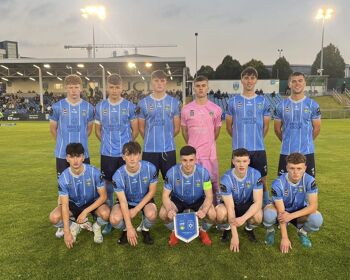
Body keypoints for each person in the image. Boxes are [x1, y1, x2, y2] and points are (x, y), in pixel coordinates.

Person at [49, 74, 94, 238]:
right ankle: (63, 223)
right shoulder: (58, 107)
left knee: (84, 187)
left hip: (83, 154)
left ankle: (83, 219)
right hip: (62, 154)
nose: (74, 90)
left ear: (81, 88)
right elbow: (53, 129)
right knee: (62, 187)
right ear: (66, 88)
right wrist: (64, 144)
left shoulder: (88, 107)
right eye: (70, 87)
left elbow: (89, 129)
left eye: (76, 87)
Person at [95, 74, 138, 235]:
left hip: (124, 156)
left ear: (122, 88)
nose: (114, 90)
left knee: (125, 185)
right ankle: (108, 220)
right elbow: (97, 131)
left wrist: (126, 147)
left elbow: (134, 129)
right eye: (111, 87)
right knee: (107, 186)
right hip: (107, 154)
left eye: (117, 87)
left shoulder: (129, 106)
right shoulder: (100, 106)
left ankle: (125, 216)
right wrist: (107, 143)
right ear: (107, 88)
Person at [48, 143, 110, 248]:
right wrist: (67, 231)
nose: (75, 160)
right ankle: (74, 226)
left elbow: (103, 196)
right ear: (67, 158)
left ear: (83, 157)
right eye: (72, 157)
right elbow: (65, 205)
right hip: (73, 204)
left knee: (106, 213)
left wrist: (85, 212)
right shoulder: (63, 178)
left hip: (91, 202)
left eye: (78, 156)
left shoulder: (94, 172)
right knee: (54, 217)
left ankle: (96, 227)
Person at [226, 67, 271, 205]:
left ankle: (265, 205)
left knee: (262, 179)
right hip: (239, 150)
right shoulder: (232, 102)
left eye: (252, 78)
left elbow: (266, 127)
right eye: (246, 77)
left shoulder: (263, 102)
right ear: (241, 80)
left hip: (258, 149)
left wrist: (255, 138)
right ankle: (235, 206)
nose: (249, 81)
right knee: (236, 179)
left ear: (256, 80)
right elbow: (229, 127)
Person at [263, 153, 323, 253]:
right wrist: (284, 238)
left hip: (298, 210)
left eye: (299, 168)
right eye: (292, 168)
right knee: (268, 214)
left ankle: (302, 233)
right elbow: (282, 212)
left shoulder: (310, 180)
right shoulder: (278, 183)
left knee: (317, 219)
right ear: (287, 167)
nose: (295, 172)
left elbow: (313, 206)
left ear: (305, 168)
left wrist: (291, 216)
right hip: (280, 210)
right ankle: (270, 231)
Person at [159, 145, 216, 247]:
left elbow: (209, 196)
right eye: (184, 160)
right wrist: (169, 209)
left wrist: (204, 210)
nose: (188, 164)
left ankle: (202, 231)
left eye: (191, 160)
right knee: (163, 214)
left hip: (198, 199)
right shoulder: (171, 173)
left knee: (212, 214)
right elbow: (165, 196)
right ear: (180, 160)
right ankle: (175, 231)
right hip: (178, 200)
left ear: (195, 159)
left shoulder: (203, 173)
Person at [181, 75, 222, 204]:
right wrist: (194, 144)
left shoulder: (216, 109)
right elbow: (184, 131)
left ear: (207, 88)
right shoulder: (186, 109)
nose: (200, 89)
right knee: (193, 184)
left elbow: (216, 131)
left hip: (210, 155)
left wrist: (208, 143)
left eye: (203, 86)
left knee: (213, 185)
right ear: (194, 88)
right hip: (193, 156)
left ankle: (215, 213)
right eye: (198, 86)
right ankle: (195, 210)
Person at [109, 141, 158, 246]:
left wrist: (136, 210)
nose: (132, 158)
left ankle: (145, 229)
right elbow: (122, 201)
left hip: (144, 198)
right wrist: (130, 226)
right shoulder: (118, 176)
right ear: (123, 157)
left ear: (140, 156)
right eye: (128, 155)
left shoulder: (150, 168)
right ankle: (126, 229)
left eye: (135, 154)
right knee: (114, 219)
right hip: (126, 201)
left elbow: (152, 192)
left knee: (152, 214)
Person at [274, 72, 321, 177]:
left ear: (305, 83)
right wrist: (287, 141)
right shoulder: (280, 106)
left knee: (308, 186)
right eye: (294, 81)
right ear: (289, 84)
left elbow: (317, 128)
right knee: (283, 185)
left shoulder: (313, 105)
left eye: (300, 81)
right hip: (286, 152)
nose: (297, 84)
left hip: (307, 152)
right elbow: (277, 129)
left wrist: (306, 141)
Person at [216, 148, 263, 252]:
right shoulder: (226, 179)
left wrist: (243, 218)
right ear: (233, 161)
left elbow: (258, 202)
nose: (241, 165)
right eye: (238, 161)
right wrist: (235, 235)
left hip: (247, 204)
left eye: (244, 161)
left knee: (259, 217)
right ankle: (227, 228)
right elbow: (230, 207)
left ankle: (249, 228)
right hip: (232, 205)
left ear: (249, 161)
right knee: (220, 213)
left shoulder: (256, 174)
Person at [138, 70, 180, 180]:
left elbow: (177, 128)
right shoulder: (143, 103)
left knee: (170, 181)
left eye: (162, 81)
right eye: (156, 81)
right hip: (149, 150)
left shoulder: (174, 102)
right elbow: (141, 128)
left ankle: (169, 198)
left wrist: (166, 138)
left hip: (168, 149)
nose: (159, 83)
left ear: (166, 82)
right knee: (147, 182)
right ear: (151, 82)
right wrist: (150, 138)